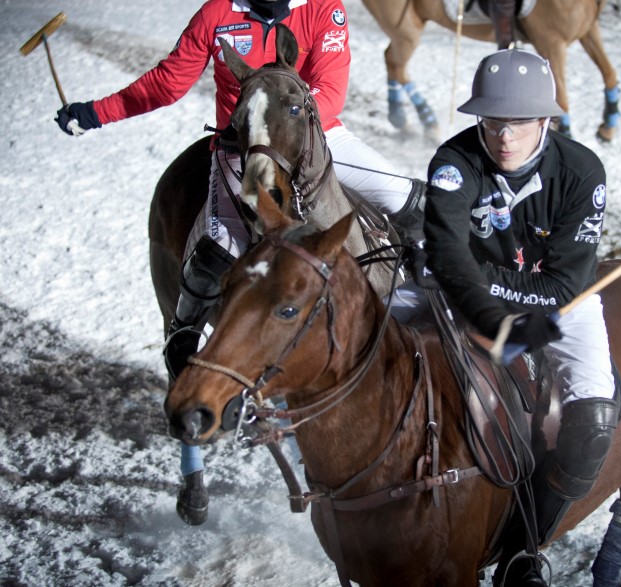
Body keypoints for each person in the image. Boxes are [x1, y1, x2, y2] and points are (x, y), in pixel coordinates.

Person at [54, 0, 423, 526]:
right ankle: (185, 337)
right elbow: (168, 82)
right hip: (245, 149)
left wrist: (284, 125)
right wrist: (97, 112)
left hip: (315, 134)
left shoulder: (324, 9)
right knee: (217, 248)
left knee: (414, 201)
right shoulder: (217, 14)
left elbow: (330, 88)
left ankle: (438, 319)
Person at [422, 49, 617, 586]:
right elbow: (446, 255)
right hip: (468, 300)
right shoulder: (453, 163)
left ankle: (521, 551)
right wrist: (490, 308)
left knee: (596, 422)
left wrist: (485, 282)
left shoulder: (582, 171)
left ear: (546, 121)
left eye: (519, 123)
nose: (504, 137)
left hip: (562, 308)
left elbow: (563, 286)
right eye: (491, 123)